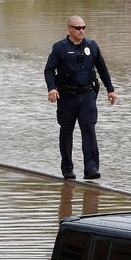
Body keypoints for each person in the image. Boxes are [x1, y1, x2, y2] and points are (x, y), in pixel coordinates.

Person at [44, 15, 117, 180]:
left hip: (87, 96)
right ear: (69, 29)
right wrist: (52, 88)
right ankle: (67, 168)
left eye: (83, 27)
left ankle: (91, 169)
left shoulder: (92, 46)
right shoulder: (59, 48)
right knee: (66, 131)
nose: (81, 30)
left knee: (89, 129)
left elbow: (102, 68)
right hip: (67, 97)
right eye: (77, 28)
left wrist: (110, 90)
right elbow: (49, 70)